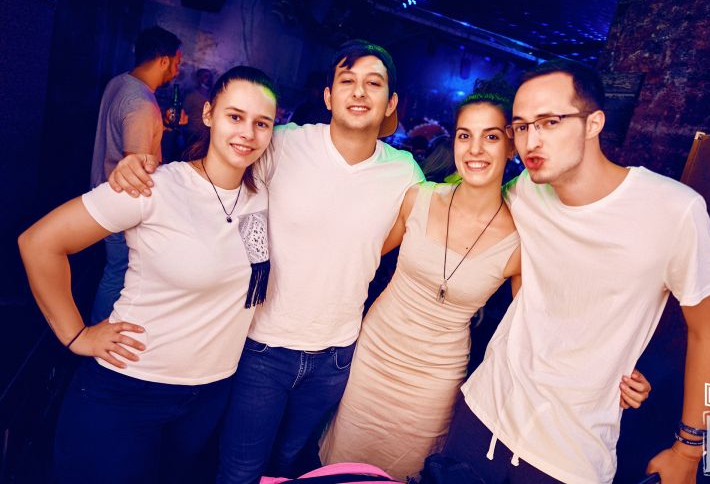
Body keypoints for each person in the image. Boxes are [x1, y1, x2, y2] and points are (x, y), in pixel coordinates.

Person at [107, 40, 424, 483]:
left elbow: (386, 241)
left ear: (390, 103)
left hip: (335, 356)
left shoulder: (405, 172)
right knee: (240, 470)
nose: (358, 92)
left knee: (290, 463)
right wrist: (141, 163)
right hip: (262, 347)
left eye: (373, 84)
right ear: (328, 96)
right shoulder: (282, 143)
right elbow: (223, 182)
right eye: (347, 80)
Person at [318, 84, 652, 481]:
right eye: (465, 135)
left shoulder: (520, 242)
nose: (475, 149)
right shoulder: (417, 198)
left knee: (405, 472)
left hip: (435, 380)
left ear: (511, 147)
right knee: (342, 469)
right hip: (374, 357)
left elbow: (544, 328)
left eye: (491, 137)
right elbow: (356, 261)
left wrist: (613, 374)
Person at [441, 59, 710, 484]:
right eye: (521, 126)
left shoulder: (674, 210)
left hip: (569, 454)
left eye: (549, 122)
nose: (531, 140)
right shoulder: (526, 193)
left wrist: (688, 451)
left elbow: (708, 332)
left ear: (594, 123)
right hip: (481, 413)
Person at [18, 66, 278, 484]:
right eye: (235, 116)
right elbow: (40, 243)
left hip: (208, 395)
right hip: (130, 390)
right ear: (209, 114)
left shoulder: (262, 194)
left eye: (261, 123)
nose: (247, 133)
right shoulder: (154, 186)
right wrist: (76, 335)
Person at [89, 25, 182, 325]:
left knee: (112, 269)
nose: (178, 71)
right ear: (164, 61)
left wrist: (162, 126)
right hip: (122, 203)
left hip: (102, 190)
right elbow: (136, 167)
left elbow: (127, 132)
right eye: (177, 63)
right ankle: (99, 332)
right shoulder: (141, 104)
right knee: (118, 272)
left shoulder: (120, 83)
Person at [184, 68, 214, 146]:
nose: (209, 79)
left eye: (210, 76)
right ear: (199, 78)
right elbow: (183, 113)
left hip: (207, 136)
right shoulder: (192, 96)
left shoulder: (213, 96)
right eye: (206, 76)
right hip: (192, 134)